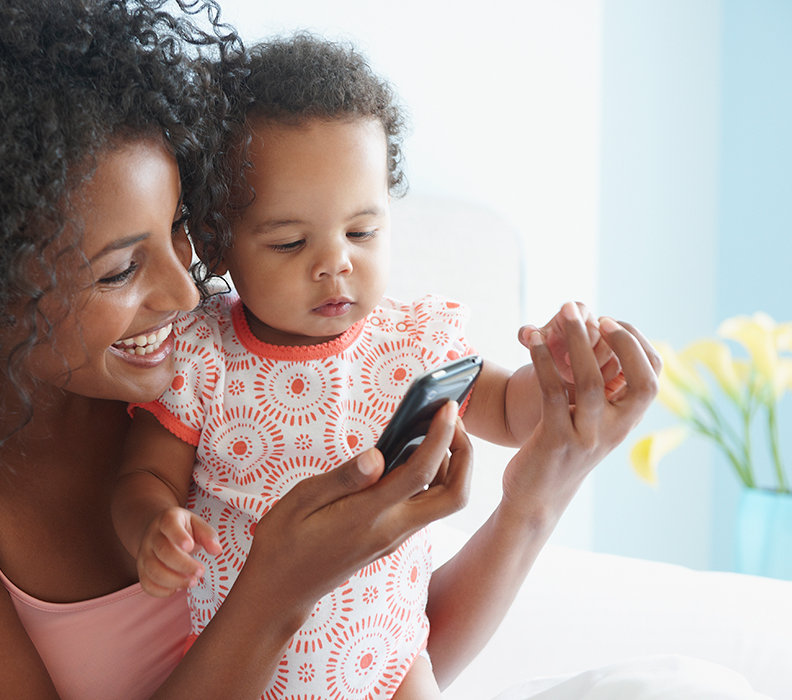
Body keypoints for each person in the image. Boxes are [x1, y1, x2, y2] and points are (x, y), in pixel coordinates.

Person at [0, 1, 663, 700]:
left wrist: (541, 490)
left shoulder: (233, 365)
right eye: (121, 268)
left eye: (181, 233)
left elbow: (373, 665)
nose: (184, 292)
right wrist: (274, 589)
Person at [110, 34, 624, 700]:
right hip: (249, 664)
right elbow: (143, 478)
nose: (335, 263)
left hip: (394, 661)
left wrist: (562, 377)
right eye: (290, 241)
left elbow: (507, 409)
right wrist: (154, 527)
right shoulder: (202, 355)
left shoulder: (412, 342)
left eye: (361, 231)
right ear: (216, 242)